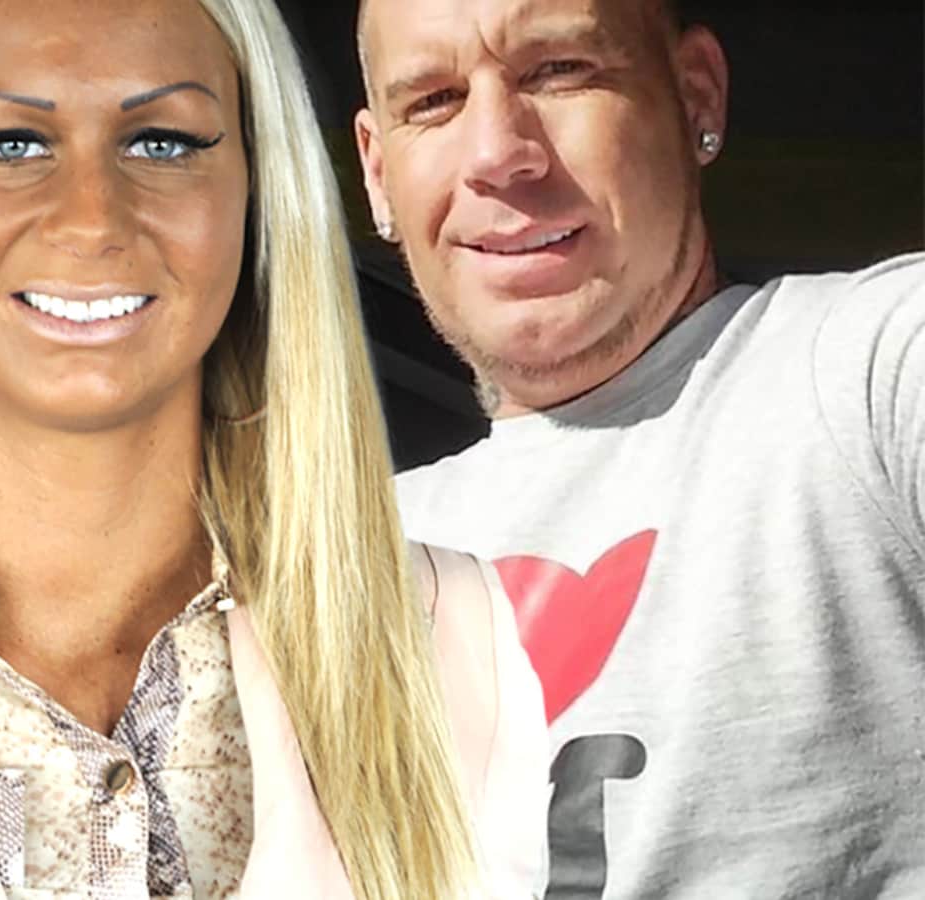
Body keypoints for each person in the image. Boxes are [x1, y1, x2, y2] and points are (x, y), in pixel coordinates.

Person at [0, 0, 551, 897]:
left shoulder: (451, 638)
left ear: (256, 195)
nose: (92, 220)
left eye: (163, 141)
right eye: (8, 143)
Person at [352, 0, 925, 897]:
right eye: (433, 100)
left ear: (696, 95)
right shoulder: (341, 555)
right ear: (379, 173)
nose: (498, 152)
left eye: (559, 70)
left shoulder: (870, 367)